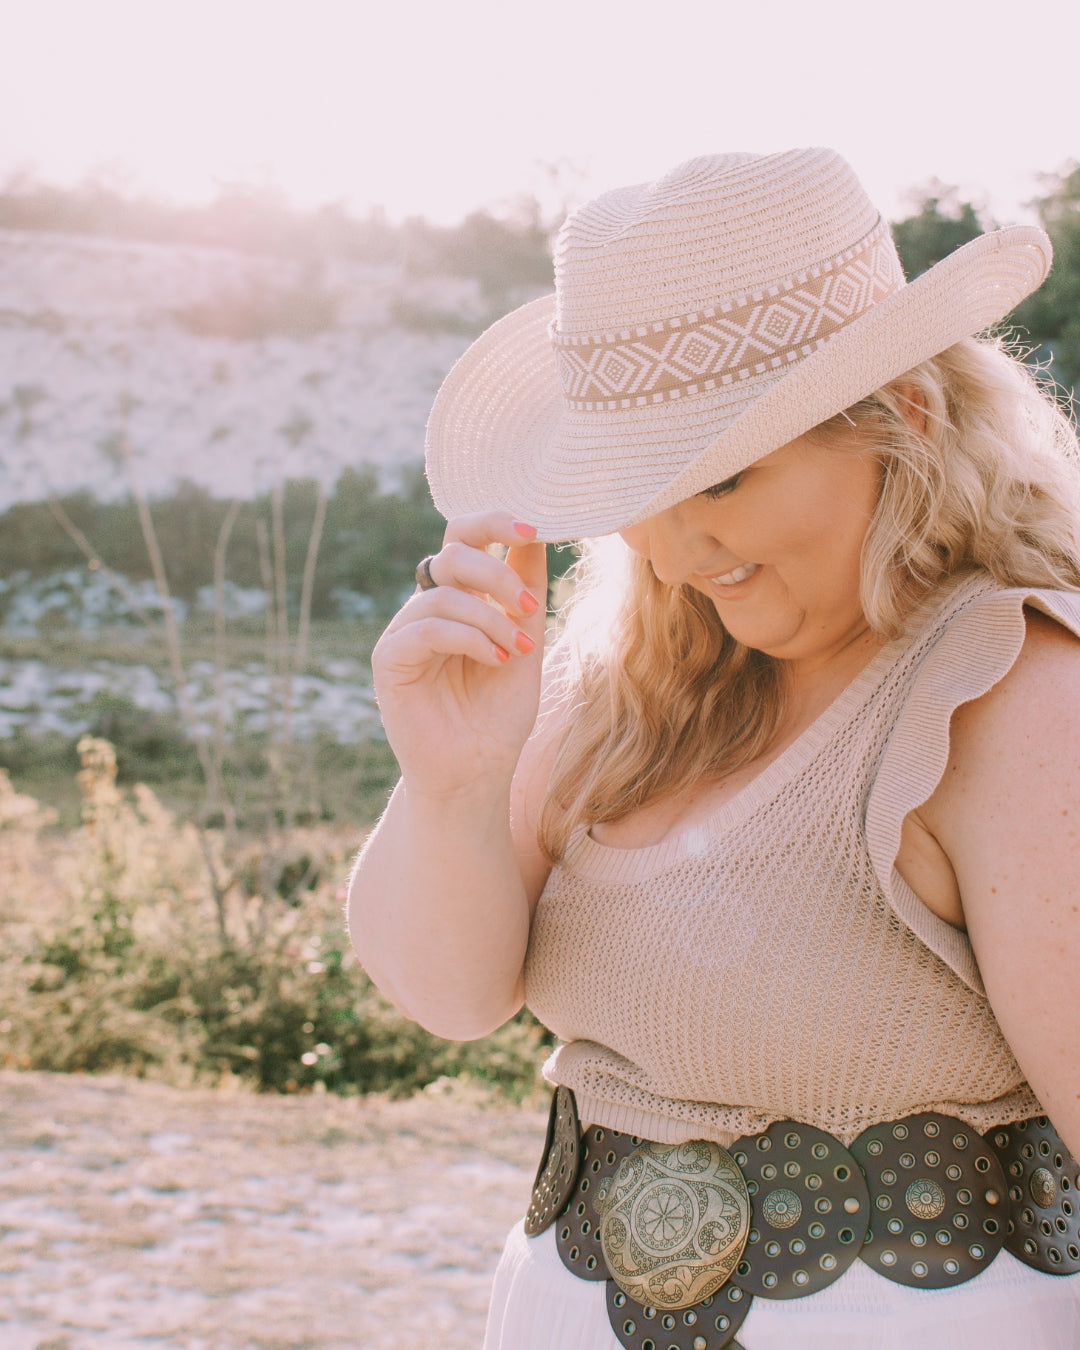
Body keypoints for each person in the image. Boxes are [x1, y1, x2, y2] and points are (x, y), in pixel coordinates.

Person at [347, 148, 1080, 1349]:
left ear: (904, 416)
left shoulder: (1016, 696)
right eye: (642, 486)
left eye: (724, 480)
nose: (680, 551)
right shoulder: (625, 677)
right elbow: (450, 996)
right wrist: (453, 783)